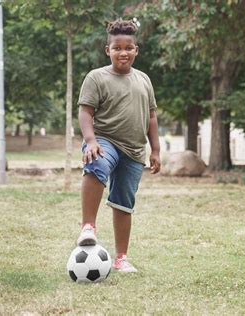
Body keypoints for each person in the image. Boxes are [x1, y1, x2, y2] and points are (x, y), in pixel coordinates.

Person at [76, 18, 160, 273]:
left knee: (124, 202)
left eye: (128, 47)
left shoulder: (144, 79)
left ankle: (121, 257)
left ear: (136, 50)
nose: (123, 52)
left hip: (134, 150)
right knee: (97, 162)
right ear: (107, 50)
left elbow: (152, 116)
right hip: (105, 140)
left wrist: (155, 149)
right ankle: (88, 227)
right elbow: (85, 112)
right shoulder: (96, 77)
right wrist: (91, 141)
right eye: (117, 48)